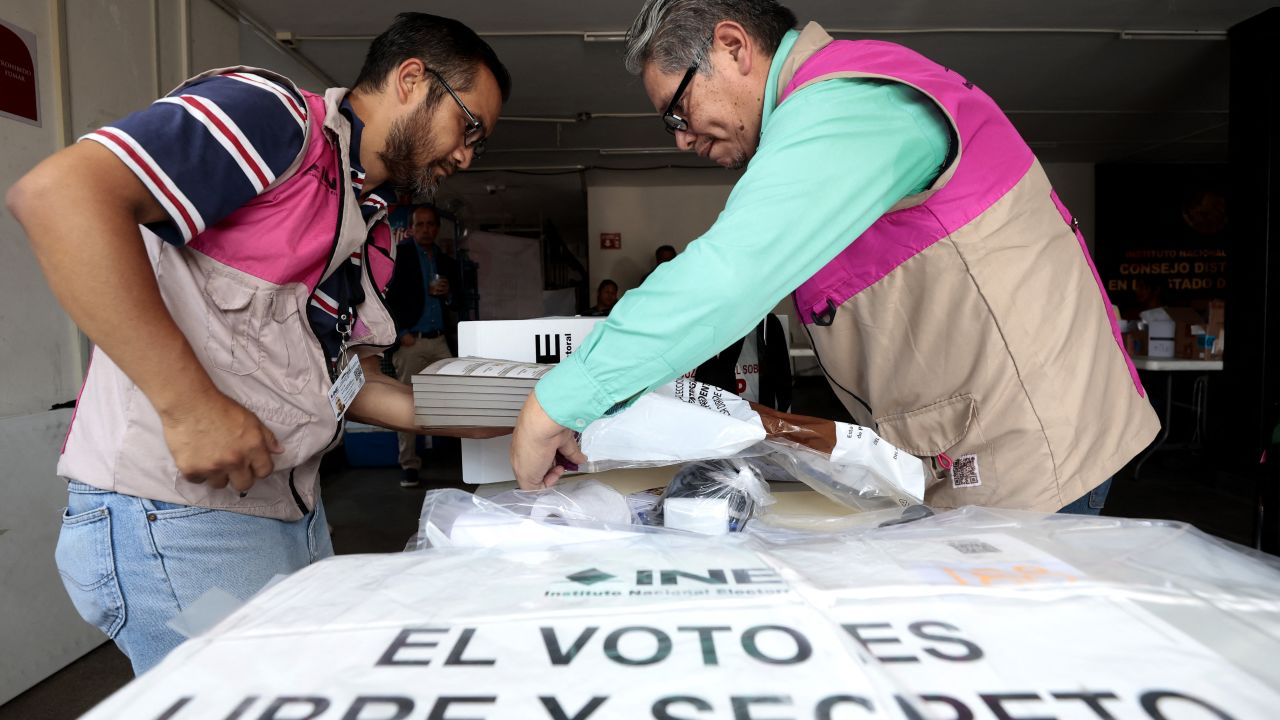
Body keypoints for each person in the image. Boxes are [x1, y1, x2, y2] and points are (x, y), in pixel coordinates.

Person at [511, 0, 1158, 515]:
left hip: (1033, 452)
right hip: (972, 448)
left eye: (677, 110)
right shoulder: (820, 120)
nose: (682, 139)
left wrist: (556, 403)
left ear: (733, 48)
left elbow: (730, 273)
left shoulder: (850, 99)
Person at [7, 12, 509, 673]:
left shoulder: (374, 227)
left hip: (287, 511)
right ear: (412, 79)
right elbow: (60, 195)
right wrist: (189, 405)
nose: (467, 154)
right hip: (179, 519)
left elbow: (343, 385)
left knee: (299, 692)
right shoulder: (273, 119)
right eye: (468, 125)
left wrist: (451, 414)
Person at [385, 205, 458, 487]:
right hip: (411, 340)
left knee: (457, 396)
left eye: (431, 225)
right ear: (412, 228)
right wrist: (400, 332)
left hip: (440, 339)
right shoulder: (399, 256)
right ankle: (409, 465)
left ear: (437, 228)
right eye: (421, 224)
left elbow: (458, 301)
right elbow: (385, 296)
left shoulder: (444, 259)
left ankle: (459, 456)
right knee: (407, 404)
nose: (426, 229)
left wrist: (448, 294)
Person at [693, 313, 791, 411]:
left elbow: (782, 377)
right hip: (751, 413)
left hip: (744, 412)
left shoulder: (768, 323)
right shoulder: (765, 321)